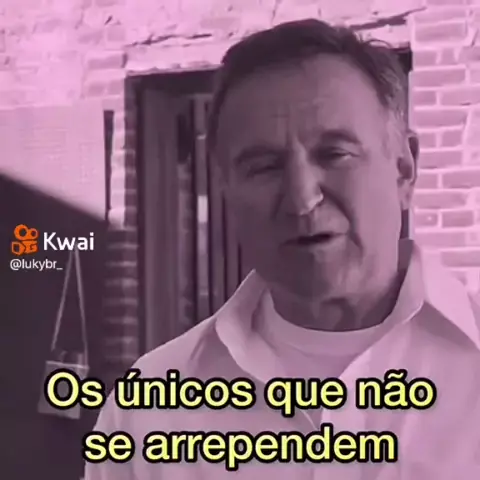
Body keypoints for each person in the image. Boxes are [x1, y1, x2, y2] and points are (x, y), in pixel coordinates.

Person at [84, 19, 480, 480]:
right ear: (226, 189)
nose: (302, 198)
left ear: (404, 170)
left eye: (335, 154)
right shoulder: (146, 412)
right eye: (264, 166)